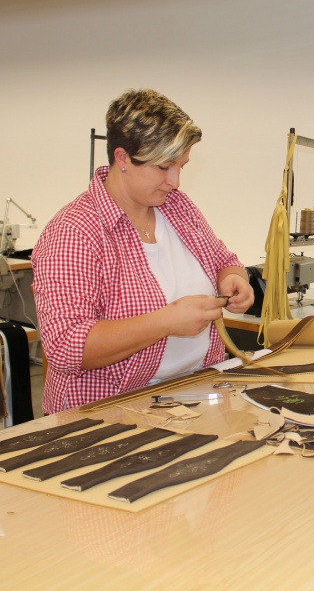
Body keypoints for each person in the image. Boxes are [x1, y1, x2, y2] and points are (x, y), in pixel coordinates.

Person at [32, 89, 254, 414]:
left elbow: (224, 260)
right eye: (164, 167)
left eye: (181, 166)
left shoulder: (177, 207)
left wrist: (234, 279)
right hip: (108, 414)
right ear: (122, 158)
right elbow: (66, 346)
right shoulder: (75, 232)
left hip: (192, 394)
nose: (175, 181)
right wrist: (164, 322)